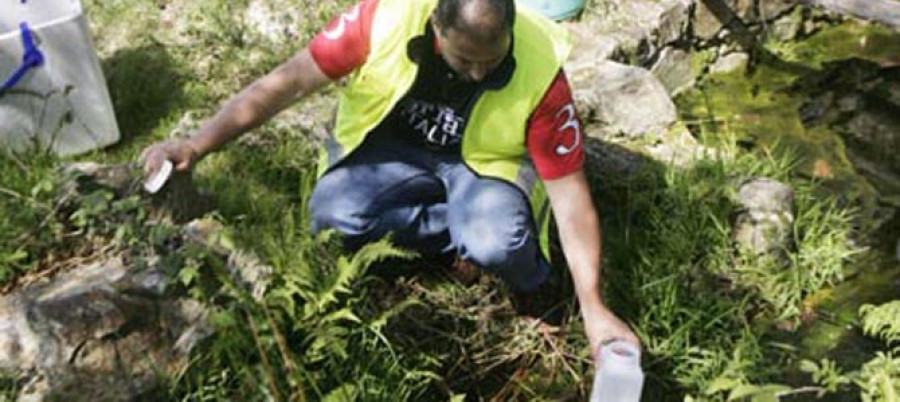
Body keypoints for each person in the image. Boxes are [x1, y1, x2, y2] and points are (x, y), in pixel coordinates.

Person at [141, 0, 640, 366]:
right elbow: (285, 83)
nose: (477, 73)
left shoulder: (540, 70)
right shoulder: (381, 20)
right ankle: (452, 240)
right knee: (333, 218)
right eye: (464, 59)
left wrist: (594, 306)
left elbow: (571, 195)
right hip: (392, 154)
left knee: (499, 244)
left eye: (491, 61)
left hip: (485, 165)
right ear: (435, 28)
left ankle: (531, 282)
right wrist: (198, 144)